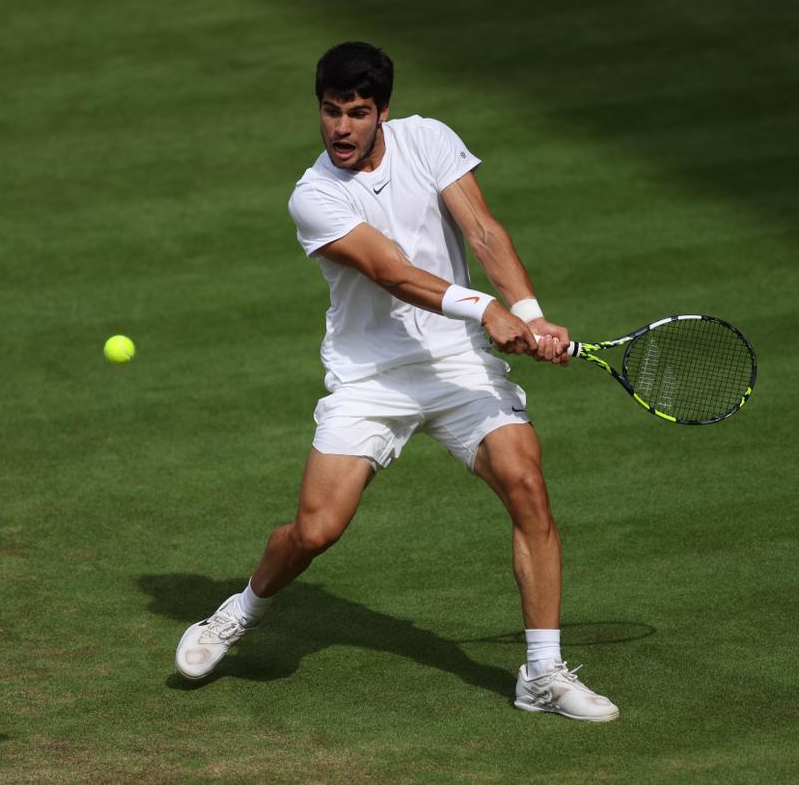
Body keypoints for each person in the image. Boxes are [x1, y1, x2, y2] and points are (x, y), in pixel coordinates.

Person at [175, 42, 619, 722]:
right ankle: (240, 610)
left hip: (457, 366)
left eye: (357, 112)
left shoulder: (430, 139)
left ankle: (542, 673)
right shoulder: (314, 196)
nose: (342, 128)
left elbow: (485, 234)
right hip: (371, 378)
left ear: (382, 111)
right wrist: (487, 310)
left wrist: (529, 315)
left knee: (527, 485)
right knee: (317, 532)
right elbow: (391, 272)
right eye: (330, 112)